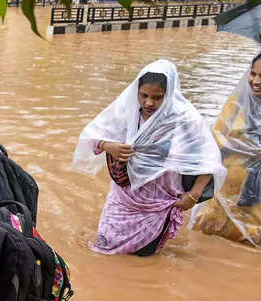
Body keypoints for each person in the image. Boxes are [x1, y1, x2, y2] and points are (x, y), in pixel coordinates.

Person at [72, 59, 226, 256]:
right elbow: (91, 136)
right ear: (137, 91)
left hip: (159, 204)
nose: (149, 103)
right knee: (103, 247)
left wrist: (193, 195)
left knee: (144, 257)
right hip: (123, 198)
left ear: (169, 94)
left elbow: (207, 160)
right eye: (143, 95)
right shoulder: (127, 111)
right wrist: (108, 146)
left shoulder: (186, 120)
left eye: (157, 97)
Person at [190, 53, 261, 247]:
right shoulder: (237, 105)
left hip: (256, 198)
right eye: (253, 74)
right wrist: (250, 150)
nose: (256, 81)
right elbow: (216, 139)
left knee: (251, 243)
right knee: (207, 235)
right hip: (227, 187)